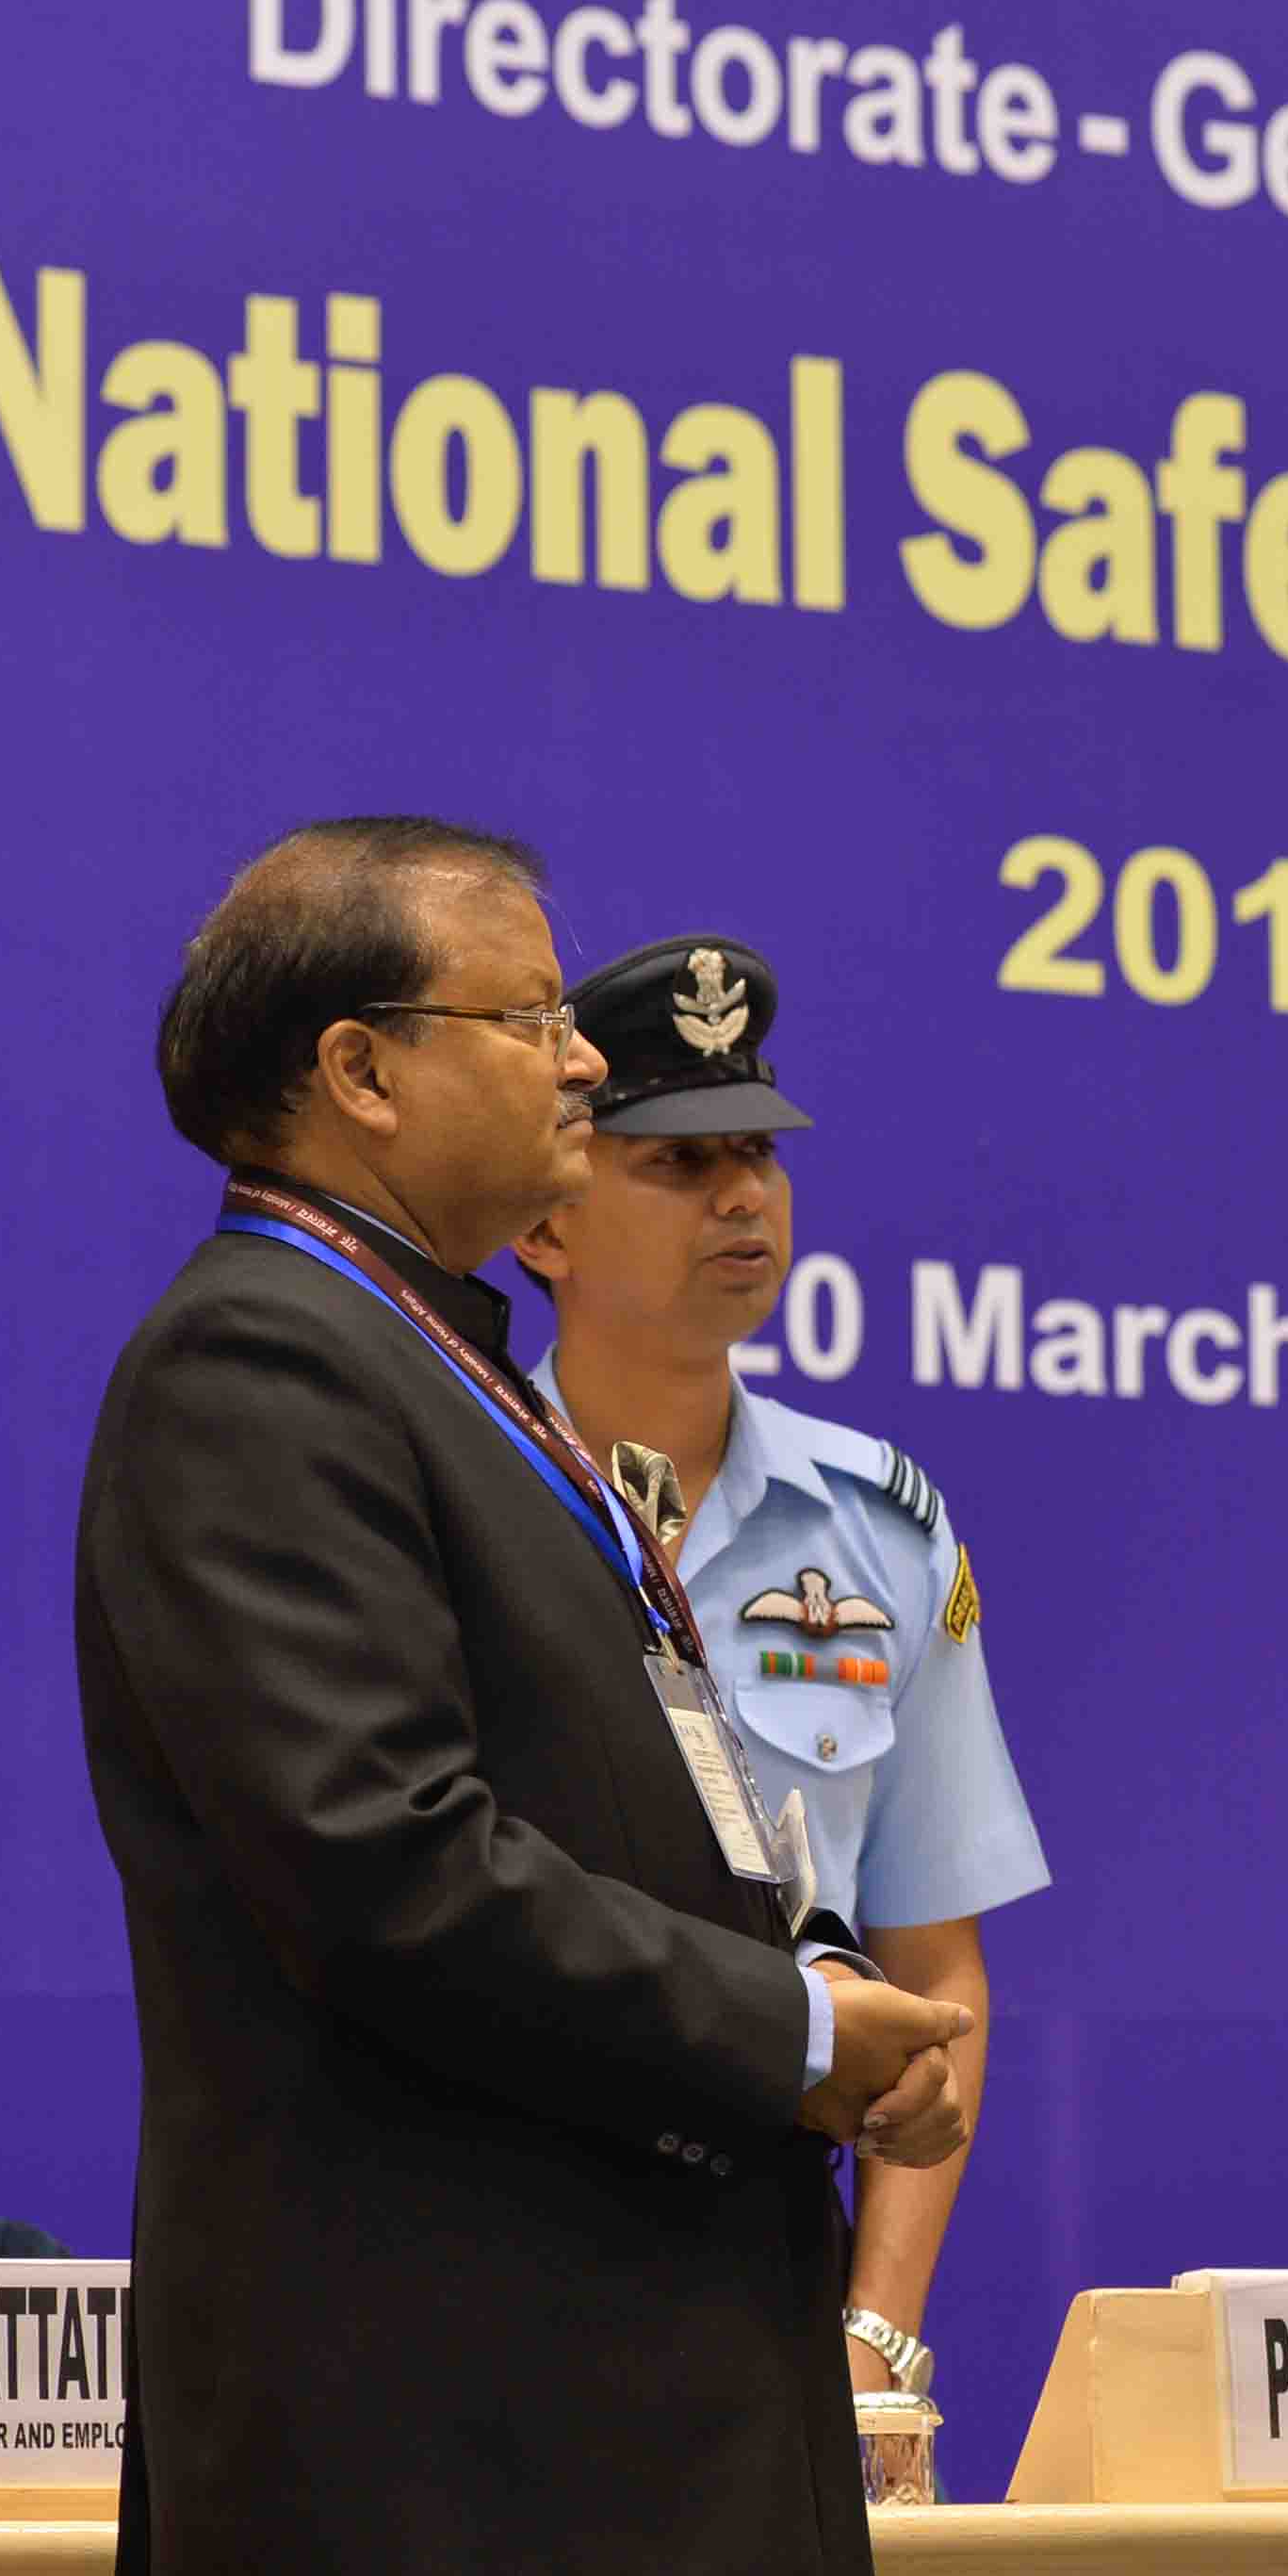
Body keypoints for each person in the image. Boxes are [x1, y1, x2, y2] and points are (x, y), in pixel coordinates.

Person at [79, 818, 970, 2576]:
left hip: (596, 2462)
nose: (584, 1064)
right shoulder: (262, 1360)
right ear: (361, 1069)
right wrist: (781, 2024)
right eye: (534, 1013)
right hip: (439, 2485)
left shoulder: (446, 1364)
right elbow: (379, 1859)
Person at [515, 934, 1051, 2419]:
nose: (741, 1194)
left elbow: (937, 1973)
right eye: (678, 1165)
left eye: (756, 1152)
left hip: (767, 2274)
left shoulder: (881, 1522)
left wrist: (873, 2343)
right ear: (547, 1224)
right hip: (491, 2241)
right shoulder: (461, 1486)